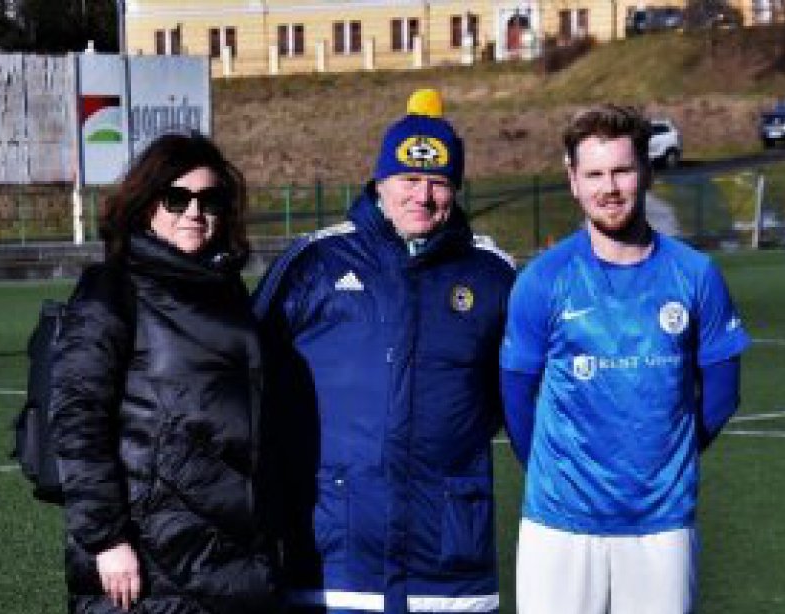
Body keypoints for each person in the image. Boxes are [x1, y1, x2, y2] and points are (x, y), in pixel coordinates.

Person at [252, 89, 515, 614]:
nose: (423, 196)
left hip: (448, 566)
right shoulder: (314, 263)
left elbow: (518, 396)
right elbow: (249, 380)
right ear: (380, 182)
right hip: (333, 560)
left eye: (438, 182)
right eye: (408, 179)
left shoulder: (492, 275)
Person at [500, 104, 751, 614]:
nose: (609, 188)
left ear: (647, 172)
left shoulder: (695, 275)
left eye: (622, 171)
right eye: (594, 174)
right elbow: (515, 397)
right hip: (559, 525)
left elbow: (722, 394)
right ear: (573, 180)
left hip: (661, 525)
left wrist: (666, 458)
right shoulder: (542, 280)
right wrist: (555, 474)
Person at [50, 132, 277, 614]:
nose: (194, 212)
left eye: (209, 200)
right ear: (147, 204)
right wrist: (106, 539)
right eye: (176, 198)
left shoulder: (229, 293)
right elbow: (78, 418)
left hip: (230, 548)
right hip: (149, 553)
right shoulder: (113, 288)